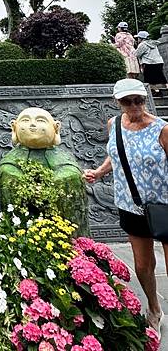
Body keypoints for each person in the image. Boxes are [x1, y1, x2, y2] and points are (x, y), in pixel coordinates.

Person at [84, 78, 168, 336]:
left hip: (164, 205)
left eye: (138, 100)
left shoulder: (162, 129)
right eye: (127, 101)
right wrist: (99, 172)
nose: (134, 106)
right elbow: (118, 154)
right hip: (131, 204)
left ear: (144, 99)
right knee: (142, 265)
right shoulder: (115, 125)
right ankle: (154, 308)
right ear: (118, 102)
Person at [0, 107, 89, 236]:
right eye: (26, 120)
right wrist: (25, 185)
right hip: (26, 221)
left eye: (40, 120)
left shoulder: (62, 158)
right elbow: (7, 171)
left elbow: (71, 172)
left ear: (56, 128)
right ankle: (22, 237)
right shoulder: (10, 162)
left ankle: (70, 239)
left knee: (71, 177)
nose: (32, 124)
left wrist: (53, 183)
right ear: (14, 127)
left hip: (58, 219)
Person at [135, 31, 168, 96]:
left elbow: (137, 54)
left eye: (138, 38)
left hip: (149, 63)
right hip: (159, 62)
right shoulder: (153, 43)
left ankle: (157, 91)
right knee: (161, 78)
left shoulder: (143, 44)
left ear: (141, 38)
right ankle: (166, 88)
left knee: (149, 80)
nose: (138, 39)